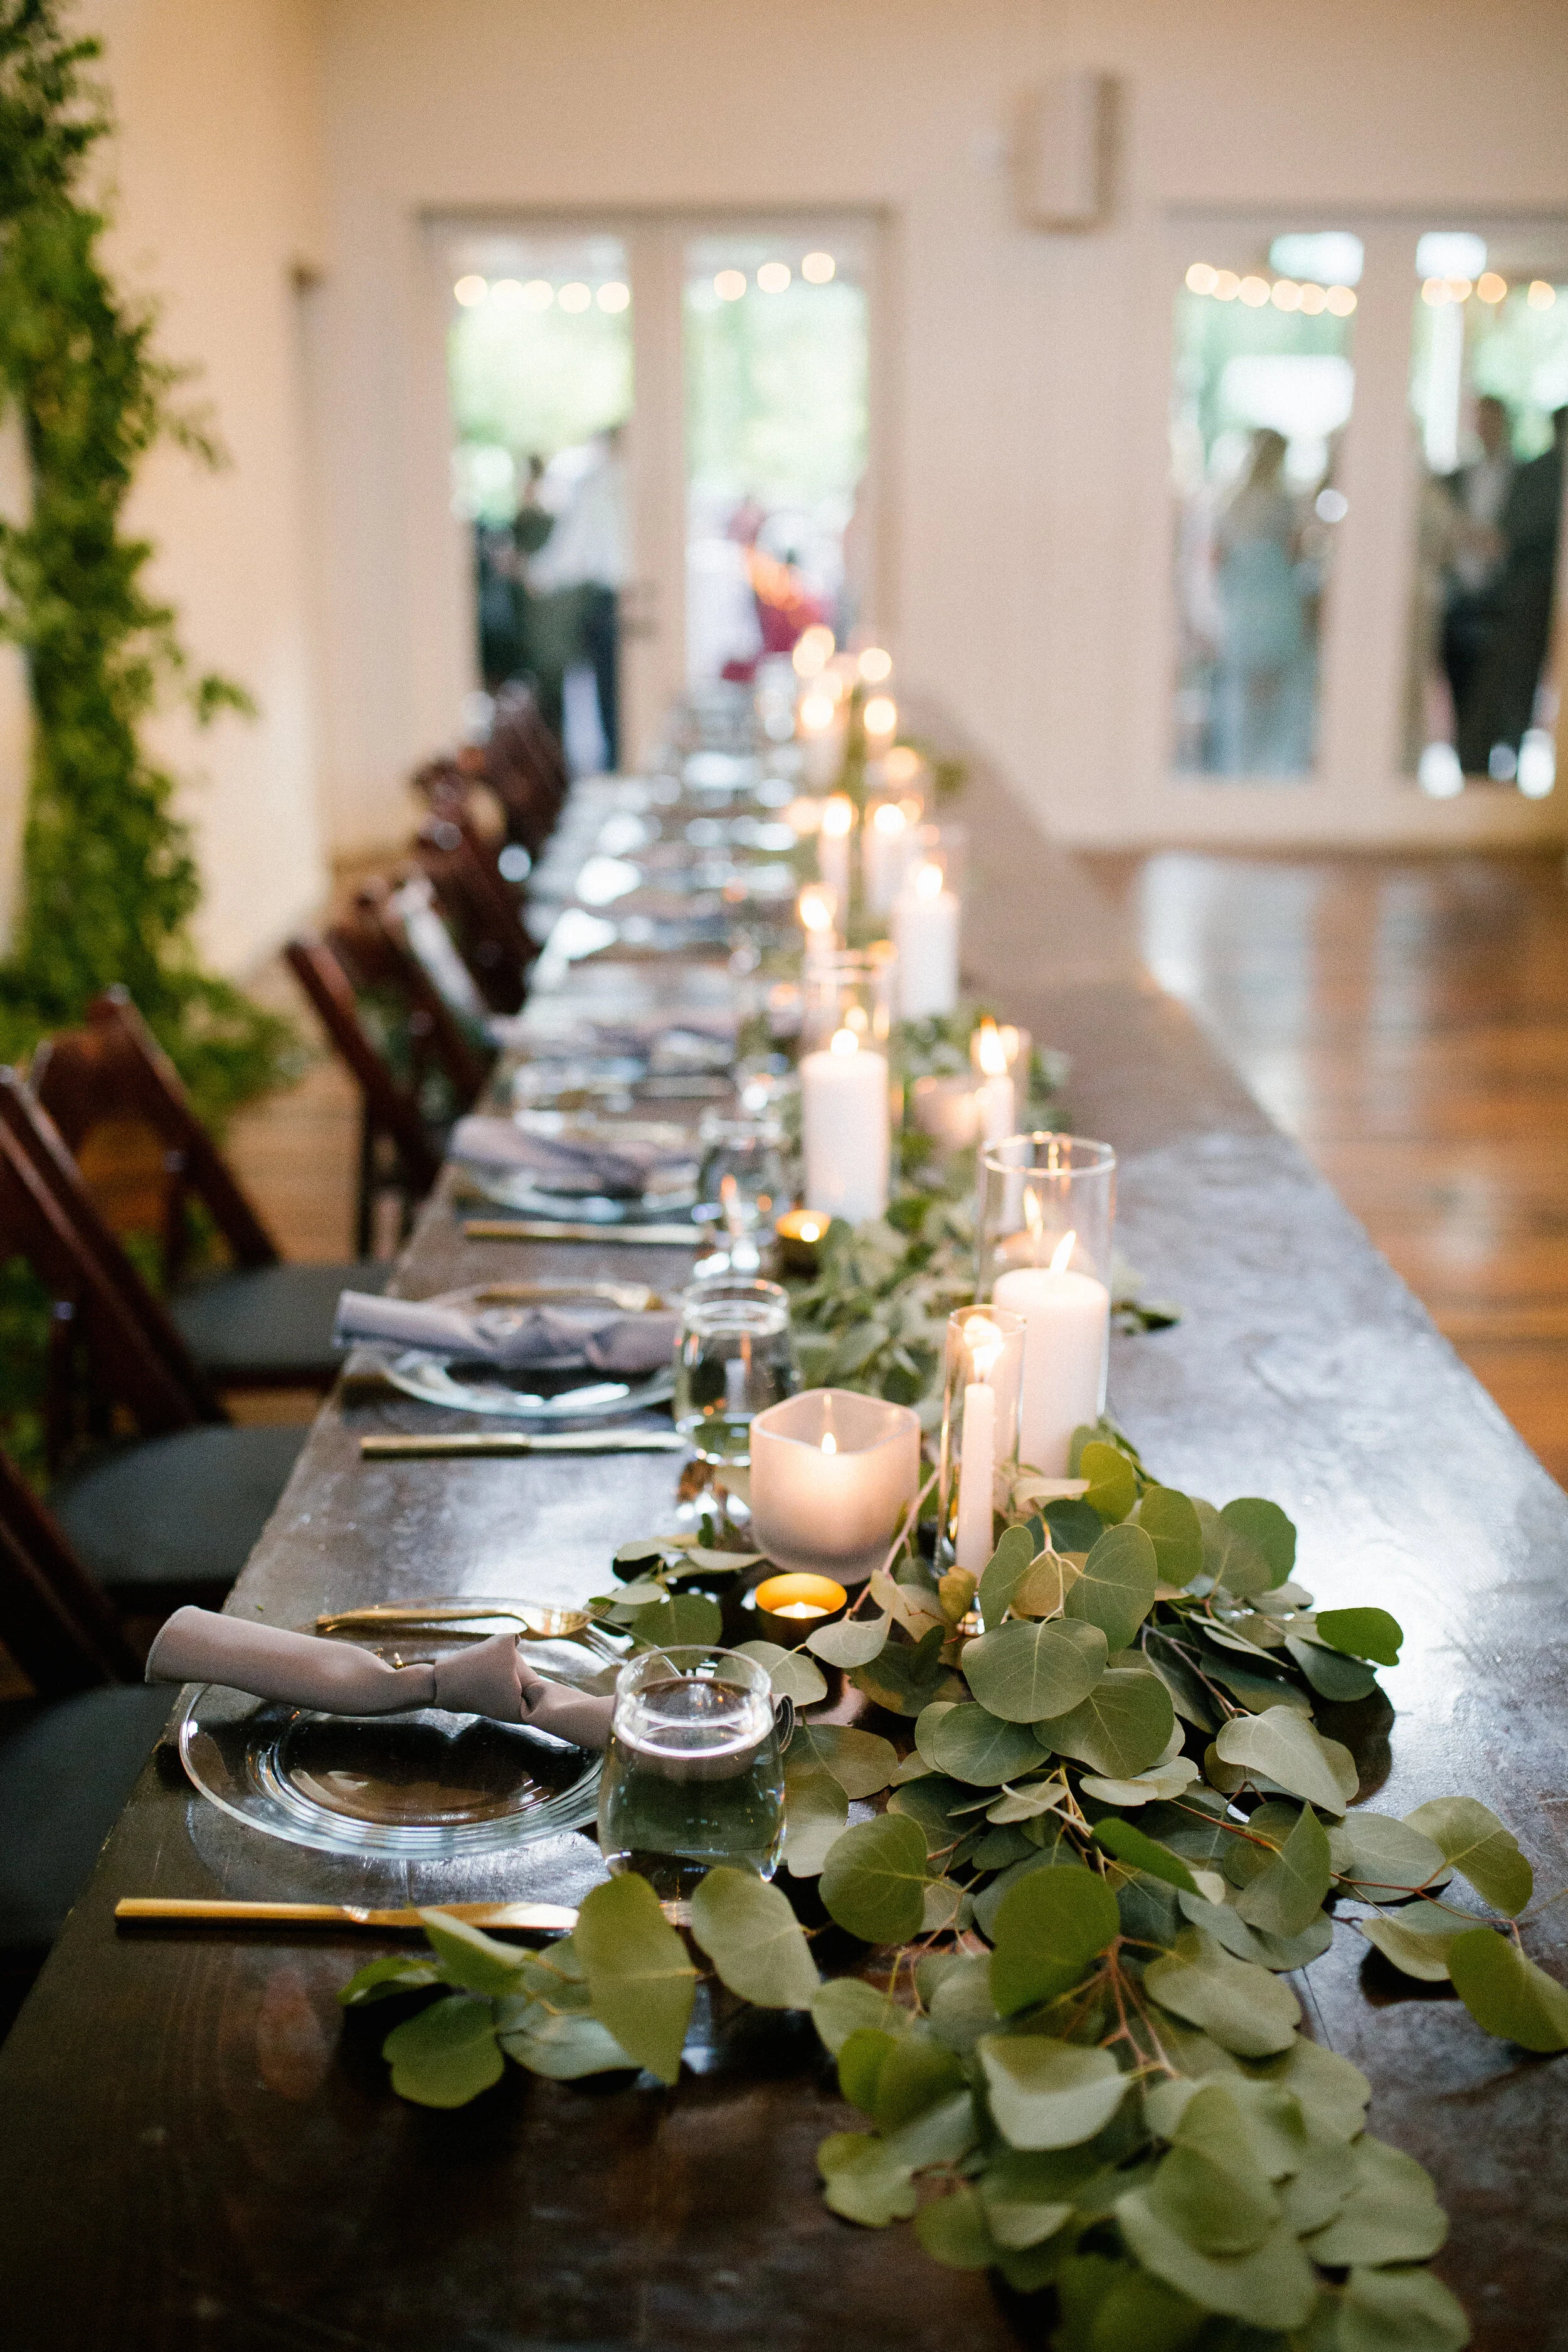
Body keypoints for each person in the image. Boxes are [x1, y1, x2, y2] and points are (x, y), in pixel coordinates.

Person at [1210, 428, 1315, 775]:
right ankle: (1271, 772)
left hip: (1246, 602)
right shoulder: (1284, 501)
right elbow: (1297, 549)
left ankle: (1243, 770)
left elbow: (1216, 556)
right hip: (1273, 599)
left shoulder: (1233, 501)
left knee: (1245, 692)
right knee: (1275, 690)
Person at [527, 424, 627, 768]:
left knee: (614, 708)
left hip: (611, 602)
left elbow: (569, 554)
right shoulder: (617, 481)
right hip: (615, 601)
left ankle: (617, 771)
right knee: (620, 706)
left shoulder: (600, 481)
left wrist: (534, 575)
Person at [1441, 395, 1515, 772]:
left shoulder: (1523, 479)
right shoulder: (1453, 479)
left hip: (1502, 604)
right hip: (1458, 603)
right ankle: (1466, 771)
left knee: (1497, 696)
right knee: (1461, 694)